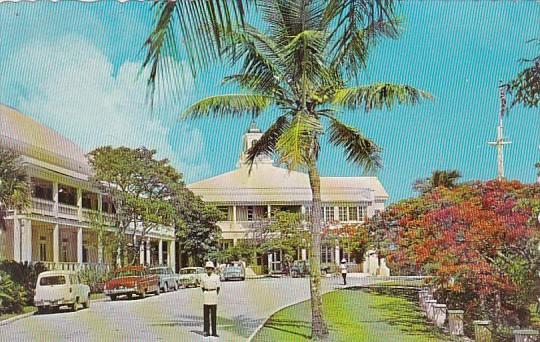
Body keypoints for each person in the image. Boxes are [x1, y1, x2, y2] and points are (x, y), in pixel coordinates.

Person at [200, 261, 221, 337]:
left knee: (213, 316)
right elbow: (202, 287)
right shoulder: (203, 277)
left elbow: (218, 287)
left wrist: (214, 293)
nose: (209, 270)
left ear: (212, 269)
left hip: (213, 295)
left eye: (210, 268)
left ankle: (214, 332)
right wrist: (206, 292)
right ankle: (206, 332)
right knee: (206, 316)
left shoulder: (216, 277)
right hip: (206, 295)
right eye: (207, 268)